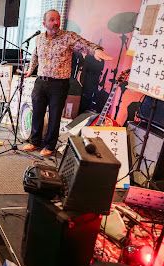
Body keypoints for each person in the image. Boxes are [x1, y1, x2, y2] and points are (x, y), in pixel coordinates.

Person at [22, 9, 112, 157]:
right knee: (37, 113)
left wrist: (96, 50)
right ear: (44, 23)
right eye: (52, 20)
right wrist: (29, 70)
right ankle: (34, 141)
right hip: (40, 82)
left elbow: (84, 44)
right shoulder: (38, 39)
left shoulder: (68, 37)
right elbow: (35, 56)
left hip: (59, 85)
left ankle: (50, 146)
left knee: (55, 116)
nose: (56, 22)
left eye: (57, 19)